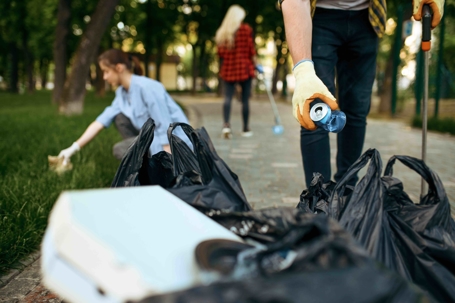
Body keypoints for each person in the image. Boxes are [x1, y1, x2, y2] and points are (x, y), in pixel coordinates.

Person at [279, 0, 444, 187]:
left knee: (357, 107)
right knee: (316, 109)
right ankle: (319, 199)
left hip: (367, 18)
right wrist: (304, 72)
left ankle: (348, 190)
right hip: (318, 17)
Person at [58, 49, 191, 163]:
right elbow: (100, 122)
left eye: (106, 71)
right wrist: (73, 148)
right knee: (119, 117)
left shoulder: (147, 87)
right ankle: (143, 163)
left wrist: (168, 162)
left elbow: (165, 124)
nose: (104, 77)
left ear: (119, 68)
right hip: (152, 139)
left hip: (174, 144)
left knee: (120, 149)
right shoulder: (122, 93)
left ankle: (148, 166)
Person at [215, 4, 257, 139]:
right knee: (245, 100)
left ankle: (226, 126)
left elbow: (220, 53)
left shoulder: (223, 33)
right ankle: (245, 128)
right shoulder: (246, 29)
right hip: (244, 68)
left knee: (227, 98)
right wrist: (256, 64)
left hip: (228, 69)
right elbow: (251, 51)